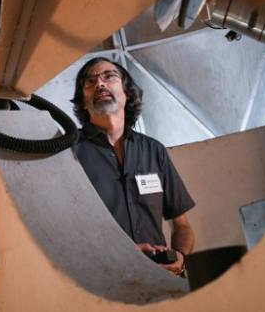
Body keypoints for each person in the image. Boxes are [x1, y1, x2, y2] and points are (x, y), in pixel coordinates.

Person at [71, 57, 196, 275]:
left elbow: (182, 225)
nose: (100, 84)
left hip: (160, 280)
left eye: (109, 77)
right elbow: (62, 229)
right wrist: (122, 253)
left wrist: (181, 258)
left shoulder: (154, 150)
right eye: (89, 82)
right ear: (83, 101)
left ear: (127, 93)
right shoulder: (69, 152)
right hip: (100, 281)